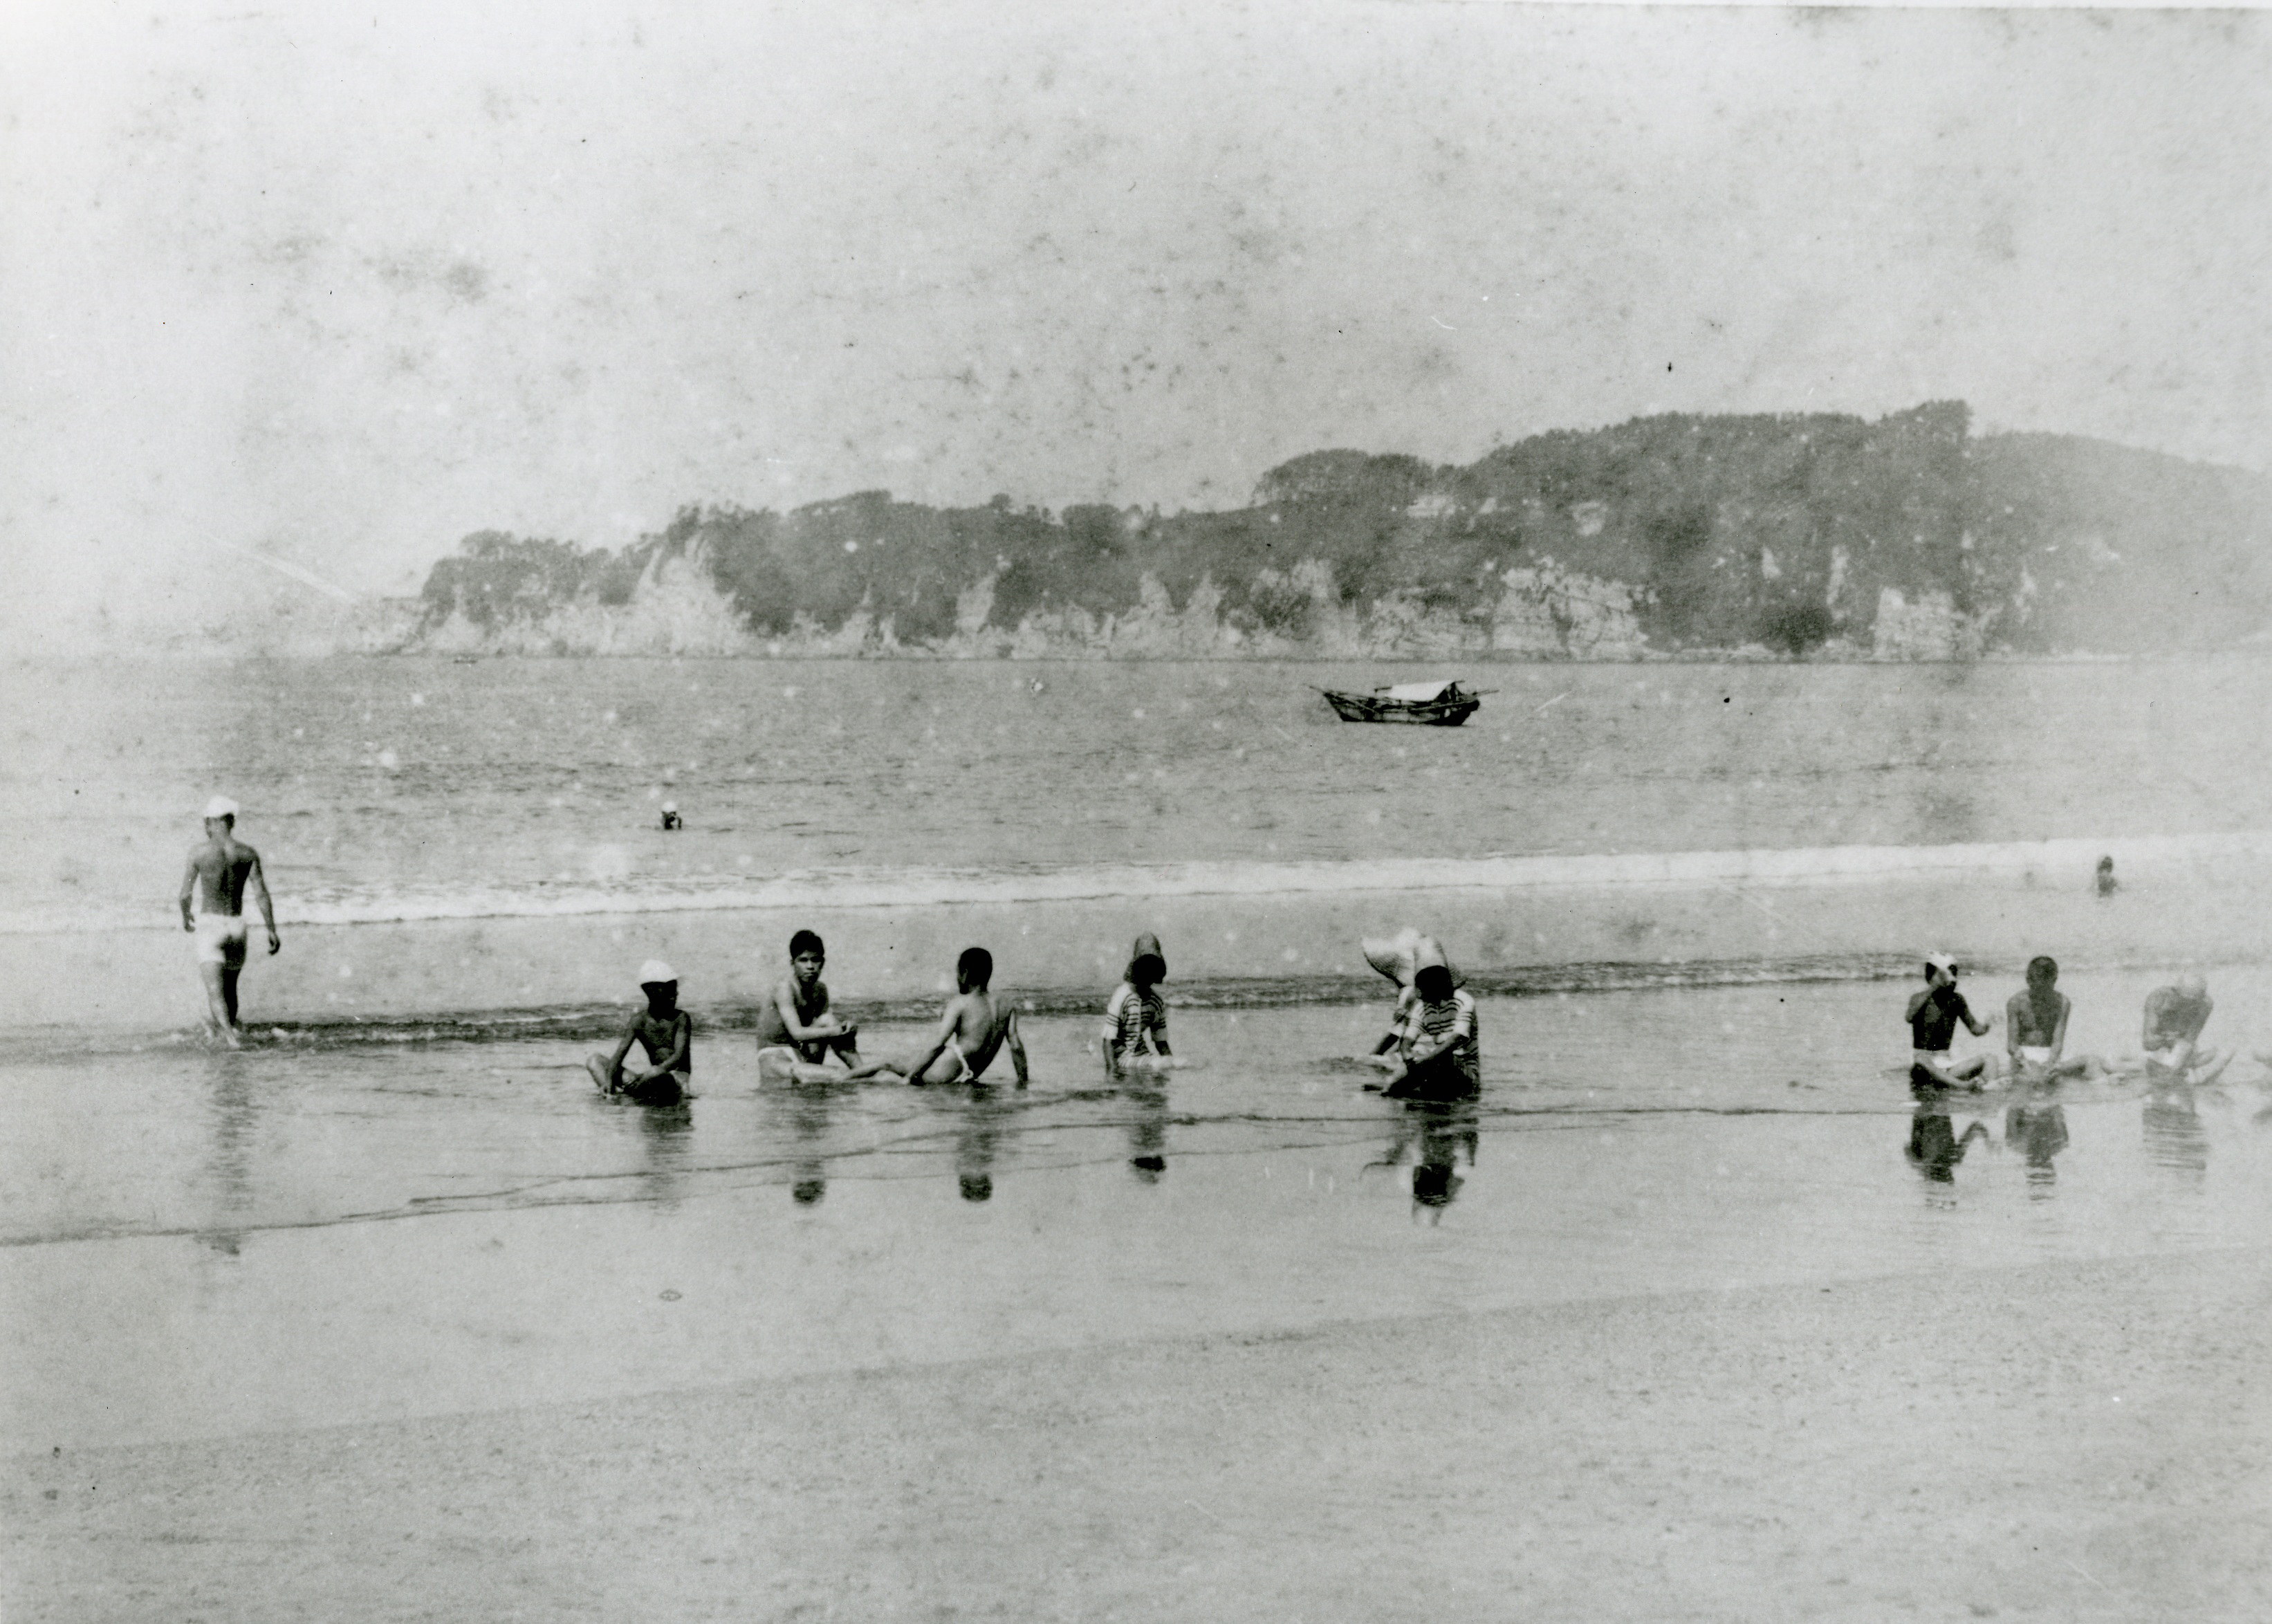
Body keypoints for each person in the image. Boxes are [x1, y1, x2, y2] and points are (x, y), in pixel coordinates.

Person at [177, 796, 280, 1044]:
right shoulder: (247, 854)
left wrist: (186, 916)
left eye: (206, 823)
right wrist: (271, 930)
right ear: (231, 821)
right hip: (237, 929)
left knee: (215, 992)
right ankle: (231, 1031)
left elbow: (185, 894)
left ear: (211, 823)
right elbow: (261, 894)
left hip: (211, 926)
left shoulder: (199, 852)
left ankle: (230, 1039)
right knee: (230, 989)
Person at [847, 947, 1028, 1086]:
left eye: (958, 974)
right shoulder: (1006, 1004)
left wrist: (910, 1077)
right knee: (888, 1073)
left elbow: (937, 1043)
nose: (957, 979)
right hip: (969, 1072)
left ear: (964, 974)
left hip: (946, 1070)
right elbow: (1016, 1046)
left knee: (886, 1064)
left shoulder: (960, 1003)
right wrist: (1023, 1081)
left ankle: (839, 1079)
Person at [1372, 941, 1479, 1100]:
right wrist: (1408, 1056)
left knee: (1442, 1057)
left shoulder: (1464, 1001)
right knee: (1400, 1085)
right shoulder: (1422, 1007)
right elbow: (1407, 1040)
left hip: (1465, 1073)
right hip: (1435, 1067)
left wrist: (1421, 1062)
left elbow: (1456, 1040)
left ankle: (1403, 1086)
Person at [755, 930, 860, 1079]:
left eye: (815, 960)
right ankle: (872, 1070)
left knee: (828, 1021)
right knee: (838, 1074)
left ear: (822, 963)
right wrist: (837, 1030)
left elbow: (828, 1031)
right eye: (803, 960)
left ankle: (862, 1070)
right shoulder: (784, 988)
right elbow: (797, 1033)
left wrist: (847, 1029)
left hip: (802, 1052)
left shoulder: (821, 989)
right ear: (793, 963)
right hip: (776, 1056)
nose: (810, 966)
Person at [588, 961, 692, 1105]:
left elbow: (678, 1056)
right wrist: (609, 1081)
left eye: (675, 990)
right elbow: (619, 1055)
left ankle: (632, 1094)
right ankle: (610, 1093)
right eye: (669, 990)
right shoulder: (639, 1021)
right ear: (650, 991)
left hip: (674, 1081)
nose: (675, 995)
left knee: (656, 1072)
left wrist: (646, 1076)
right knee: (595, 1061)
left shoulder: (681, 1018)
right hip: (648, 1080)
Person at [1907, 953, 1993, 1090]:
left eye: (1954, 975)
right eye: (1945, 975)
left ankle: (1988, 1086)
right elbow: (1909, 1017)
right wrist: (1934, 987)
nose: (1951, 980)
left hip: (1947, 1067)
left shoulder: (1956, 1000)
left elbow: (1975, 1029)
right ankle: (1964, 1086)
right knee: (1921, 1060)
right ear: (1930, 978)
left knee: (1989, 1058)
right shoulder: (1919, 999)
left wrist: (1987, 1025)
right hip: (1925, 1069)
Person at [2004, 956, 2094, 1082]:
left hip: (2051, 1054)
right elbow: (2012, 1045)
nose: (2042, 995)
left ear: (2054, 980)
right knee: (2037, 1076)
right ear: (2028, 980)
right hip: (2024, 1055)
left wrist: (2052, 1062)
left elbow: (2058, 1041)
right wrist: (2024, 1062)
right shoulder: (2016, 1002)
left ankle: (2105, 1084)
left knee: (2091, 1061)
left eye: (2046, 989)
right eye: (2037, 989)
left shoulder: (2063, 1002)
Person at [1100, 932, 1173, 1078]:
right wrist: (1111, 1072)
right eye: (1144, 967)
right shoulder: (1122, 996)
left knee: (1177, 1063)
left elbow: (1161, 1042)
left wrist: (1171, 1065)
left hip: (1142, 1057)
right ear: (1136, 969)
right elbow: (1107, 1041)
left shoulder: (1156, 1002)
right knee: (1158, 1064)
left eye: (1152, 968)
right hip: (1121, 1058)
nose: (1147, 973)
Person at [2138, 972, 2230, 1082]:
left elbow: (2190, 1039)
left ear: (2201, 997)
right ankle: (2185, 1075)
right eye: (2186, 1000)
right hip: (2158, 1052)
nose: (2189, 1005)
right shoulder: (2159, 998)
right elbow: (2148, 1042)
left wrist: (2178, 1062)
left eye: (2195, 1001)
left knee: (2227, 1050)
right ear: (2176, 993)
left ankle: (2184, 1074)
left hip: (2182, 1053)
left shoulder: (2205, 1004)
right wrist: (2169, 1040)